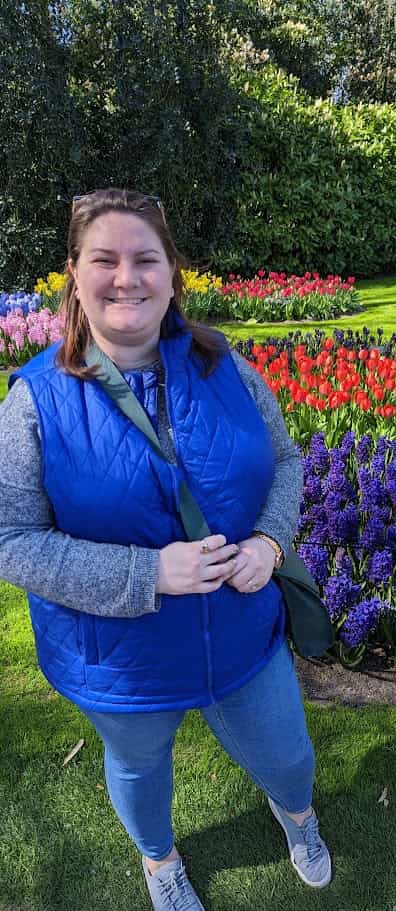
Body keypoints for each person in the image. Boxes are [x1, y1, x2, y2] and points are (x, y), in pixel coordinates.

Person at [0, 188, 331, 910]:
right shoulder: (35, 400)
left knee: (286, 752)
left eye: (145, 259)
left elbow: (285, 461)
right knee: (140, 767)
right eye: (105, 260)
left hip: (241, 630)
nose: (127, 278)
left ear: (172, 272)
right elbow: (10, 538)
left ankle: (297, 815)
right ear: (74, 275)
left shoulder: (227, 368)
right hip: (122, 659)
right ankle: (159, 859)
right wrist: (147, 572)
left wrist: (271, 542)